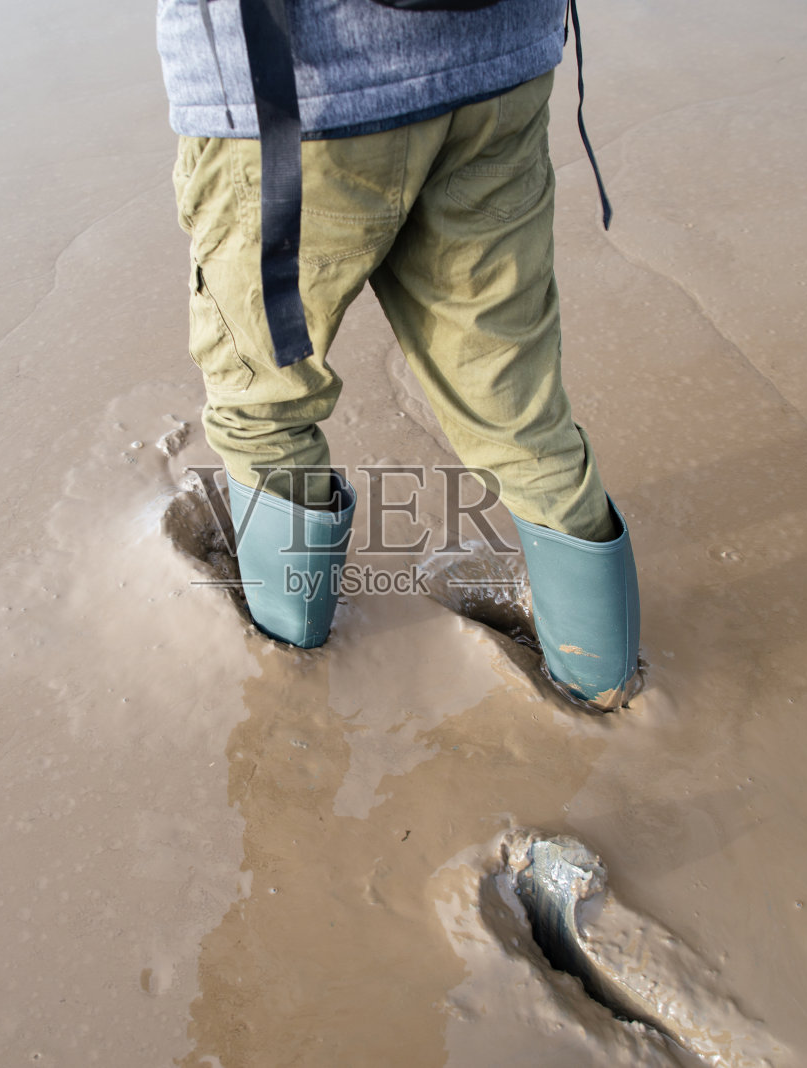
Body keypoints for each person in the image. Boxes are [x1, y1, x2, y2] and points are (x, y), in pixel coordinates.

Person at [156, 0, 640, 708]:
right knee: (518, 414)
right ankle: (604, 689)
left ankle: (292, 679)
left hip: (289, 96)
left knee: (264, 411)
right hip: (498, 67)